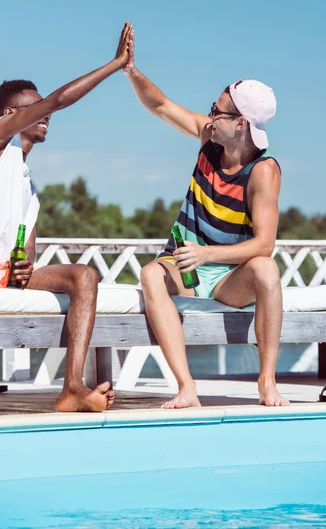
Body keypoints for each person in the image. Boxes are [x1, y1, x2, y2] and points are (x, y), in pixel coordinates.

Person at [0, 22, 132, 417]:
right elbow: (61, 99)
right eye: (37, 107)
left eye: (46, 107)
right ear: (11, 114)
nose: (48, 112)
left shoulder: (29, 191)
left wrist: (25, 265)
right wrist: (115, 64)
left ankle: (72, 389)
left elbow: (24, 261)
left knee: (85, 276)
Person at [123, 25, 289, 409]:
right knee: (150, 273)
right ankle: (186, 387)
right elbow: (161, 105)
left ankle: (267, 382)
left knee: (266, 268)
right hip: (184, 266)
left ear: (242, 123)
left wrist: (207, 255)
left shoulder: (263, 172)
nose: (210, 115)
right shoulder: (208, 139)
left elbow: (265, 244)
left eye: (218, 111)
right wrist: (131, 71)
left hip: (228, 276)